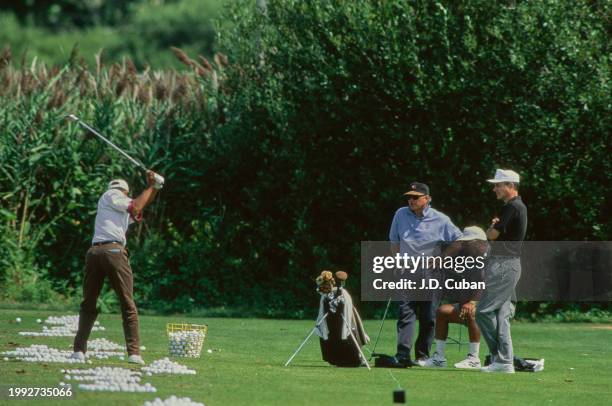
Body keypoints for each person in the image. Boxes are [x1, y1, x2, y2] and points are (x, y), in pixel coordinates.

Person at [71, 170, 163, 365]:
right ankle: (134, 353)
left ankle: (79, 350)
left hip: (94, 253)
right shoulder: (111, 195)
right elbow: (136, 205)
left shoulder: (117, 208)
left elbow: (138, 208)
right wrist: (150, 186)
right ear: (123, 191)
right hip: (113, 252)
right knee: (127, 303)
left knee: (89, 302)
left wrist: (155, 188)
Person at [388, 182, 462, 367]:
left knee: (429, 316)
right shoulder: (400, 214)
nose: (410, 200)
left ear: (427, 199)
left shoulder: (441, 219)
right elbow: (394, 241)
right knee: (406, 313)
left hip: (432, 273)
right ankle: (403, 354)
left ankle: (422, 356)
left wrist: (443, 258)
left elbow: (459, 240)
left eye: (415, 197)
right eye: (409, 197)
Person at [476, 169, 527, 373]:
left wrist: (491, 228)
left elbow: (492, 235)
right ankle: (504, 360)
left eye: (498, 185)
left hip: (503, 265)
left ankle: (502, 359)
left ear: (510, 186)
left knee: (483, 311)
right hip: (510, 264)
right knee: (502, 315)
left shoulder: (511, 207)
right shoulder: (517, 206)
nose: (494, 188)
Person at [423, 226, 488, 369]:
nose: (464, 245)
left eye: (467, 243)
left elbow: (482, 283)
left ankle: (474, 358)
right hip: (465, 305)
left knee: (471, 312)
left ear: (477, 243)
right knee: (442, 311)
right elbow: (454, 248)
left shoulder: (483, 259)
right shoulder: (468, 256)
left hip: (485, 309)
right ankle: (439, 358)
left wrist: (472, 302)